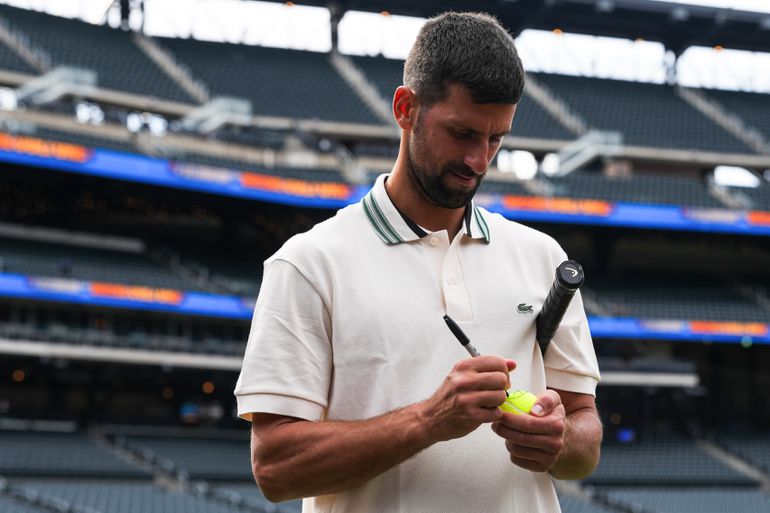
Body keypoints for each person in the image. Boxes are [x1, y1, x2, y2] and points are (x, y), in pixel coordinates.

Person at [235, 11, 601, 513]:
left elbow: (586, 438)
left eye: (496, 139)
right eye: (463, 133)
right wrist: (429, 419)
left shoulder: (542, 257)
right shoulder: (308, 263)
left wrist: (560, 441)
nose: (479, 160)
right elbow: (275, 468)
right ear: (406, 108)